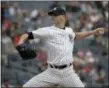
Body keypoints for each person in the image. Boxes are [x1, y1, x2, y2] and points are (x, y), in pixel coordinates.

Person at [17, 7, 104, 87]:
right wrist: (20, 43)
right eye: (52, 15)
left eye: (55, 14)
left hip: (68, 73)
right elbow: (26, 35)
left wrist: (92, 32)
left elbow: (76, 36)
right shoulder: (47, 31)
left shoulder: (69, 31)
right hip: (51, 72)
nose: (53, 17)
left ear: (62, 16)